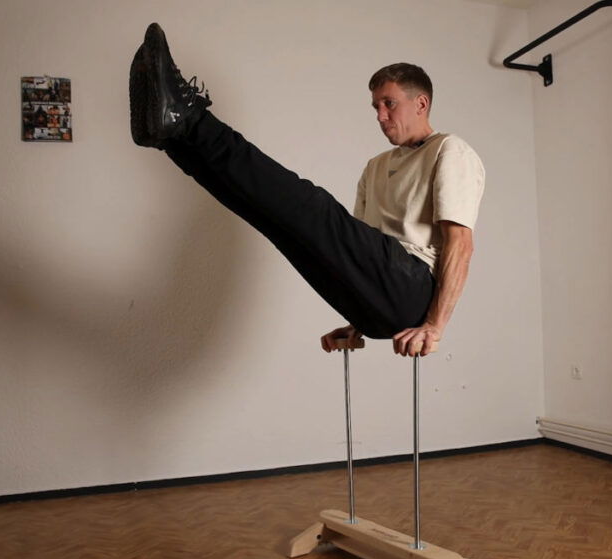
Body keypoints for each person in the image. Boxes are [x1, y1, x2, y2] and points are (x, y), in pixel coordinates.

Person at [129, 23, 484, 357]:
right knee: (274, 220)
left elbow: (460, 245)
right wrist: (358, 321)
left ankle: (189, 119)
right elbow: (354, 256)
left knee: (312, 206)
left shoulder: (449, 151)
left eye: (389, 103)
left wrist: (435, 327)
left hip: (416, 292)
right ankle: (174, 139)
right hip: (382, 305)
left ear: (421, 104)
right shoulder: (375, 167)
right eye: (375, 106)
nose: (380, 115)